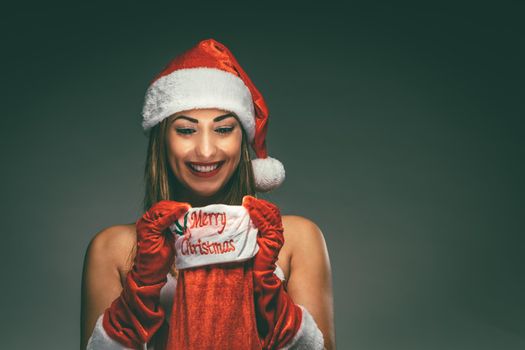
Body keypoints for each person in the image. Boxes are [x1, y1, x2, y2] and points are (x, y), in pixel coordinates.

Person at [80, 38, 335, 349]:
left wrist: (266, 289)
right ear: (163, 141)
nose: (205, 149)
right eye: (186, 130)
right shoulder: (113, 249)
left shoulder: (296, 238)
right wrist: (143, 286)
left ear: (242, 139)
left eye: (223, 129)